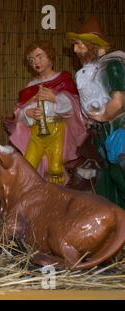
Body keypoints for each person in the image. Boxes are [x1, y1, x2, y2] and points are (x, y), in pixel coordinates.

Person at [5, 40, 87, 184]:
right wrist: (27, 114)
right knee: (29, 164)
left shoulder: (63, 79)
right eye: (31, 60)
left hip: (57, 131)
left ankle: (56, 196)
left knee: (55, 167)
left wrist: (55, 98)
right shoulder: (31, 86)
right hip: (36, 132)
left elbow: (73, 106)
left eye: (39, 56)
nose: (36, 62)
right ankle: (33, 196)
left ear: (50, 57)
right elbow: (19, 112)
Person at [67, 16, 125, 208]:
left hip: (115, 130)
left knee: (119, 174)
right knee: (106, 177)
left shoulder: (112, 64)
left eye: (80, 45)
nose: (75, 50)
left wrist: (103, 116)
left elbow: (118, 101)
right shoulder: (90, 72)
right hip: (101, 132)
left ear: (95, 47)